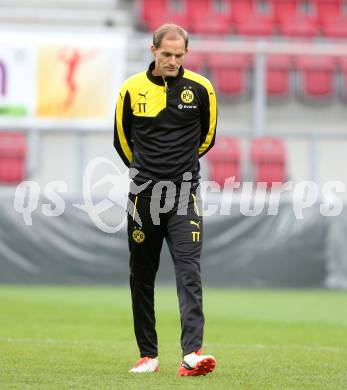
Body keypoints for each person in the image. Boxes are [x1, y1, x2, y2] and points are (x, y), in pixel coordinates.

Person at [113, 23, 217, 376]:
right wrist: (147, 172)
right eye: (166, 54)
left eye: (179, 55)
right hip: (143, 197)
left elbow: (207, 139)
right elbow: (122, 142)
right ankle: (148, 355)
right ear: (152, 50)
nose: (172, 60)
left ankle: (192, 353)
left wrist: (178, 171)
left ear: (186, 54)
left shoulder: (202, 89)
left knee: (189, 272)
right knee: (141, 275)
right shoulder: (130, 89)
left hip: (185, 196)